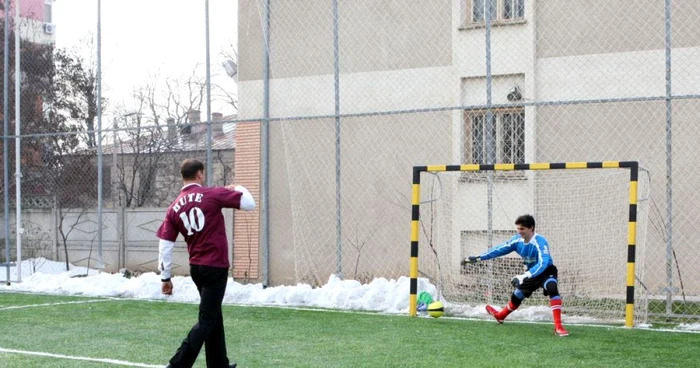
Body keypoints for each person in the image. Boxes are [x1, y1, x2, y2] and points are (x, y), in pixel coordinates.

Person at [157, 159, 256, 367]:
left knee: (213, 315)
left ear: (183, 177)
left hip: (197, 269)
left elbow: (165, 244)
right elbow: (249, 203)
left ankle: (218, 364)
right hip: (215, 266)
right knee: (207, 319)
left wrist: (165, 277)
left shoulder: (174, 207)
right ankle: (177, 364)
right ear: (199, 175)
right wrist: (236, 187)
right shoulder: (211, 194)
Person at [462, 214, 569, 337]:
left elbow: (543, 262)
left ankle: (558, 327)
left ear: (531, 228)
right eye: (518, 228)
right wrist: (479, 258)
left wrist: (524, 275)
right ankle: (500, 316)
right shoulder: (517, 240)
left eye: (522, 229)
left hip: (546, 271)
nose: (519, 232)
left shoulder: (540, 241)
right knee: (517, 295)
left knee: (552, 287)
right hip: (531, 273)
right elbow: (499, 249)